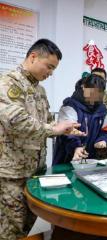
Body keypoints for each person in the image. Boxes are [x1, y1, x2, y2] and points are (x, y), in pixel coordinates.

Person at [0, 39, 84, 240]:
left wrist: (65, 131)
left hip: (34, 171)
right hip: (12, 173)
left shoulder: (39, 90)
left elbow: (47, 122)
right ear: (33, 57)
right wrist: (54, 128)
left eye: (53, 69)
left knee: (30, 225)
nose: (51, 73)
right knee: (11, 229)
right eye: (49, 67)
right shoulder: (8, 82)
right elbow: (16, 122)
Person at [53, 74, 107, 164]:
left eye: (97, 94)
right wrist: (76, 146)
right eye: (91, 93)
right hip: (68, 158)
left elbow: (105, 130)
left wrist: (102, 140)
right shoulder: (70, 106)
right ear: (84, 87)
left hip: (91, 160)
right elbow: (68, 132)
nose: (93, 97)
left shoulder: (102, 109)